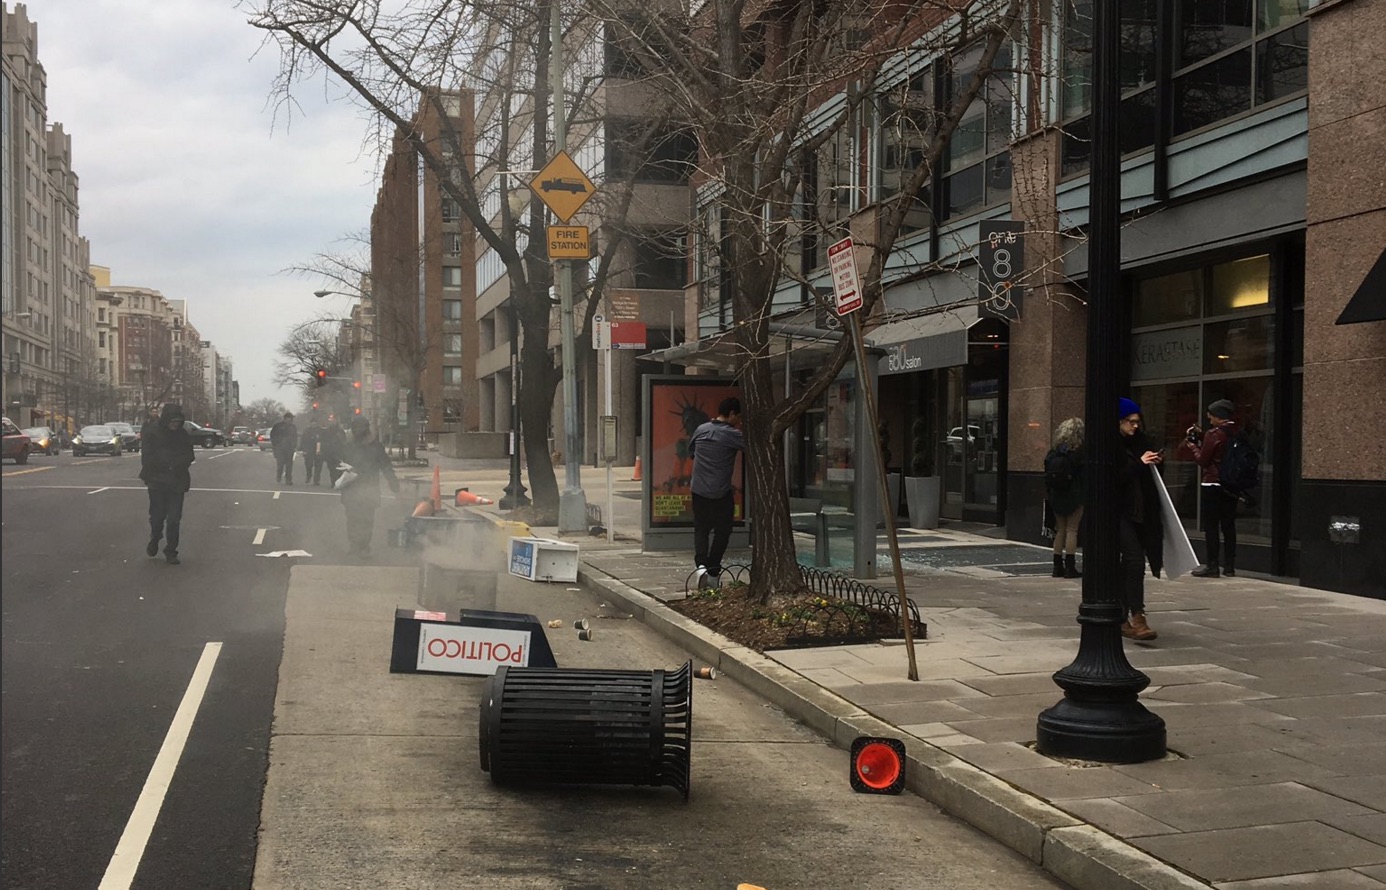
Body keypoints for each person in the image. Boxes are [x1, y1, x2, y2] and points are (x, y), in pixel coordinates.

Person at [1117, 397, 1164, 641]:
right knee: (1134, 560)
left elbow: (1149, 480)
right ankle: (1137, 616)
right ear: (1119, 421)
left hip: (1140, 512)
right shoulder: (1110, 445)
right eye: (1131, 422)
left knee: (1132, 564)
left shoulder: (1141, 442)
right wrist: (1139, 464)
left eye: (1138, 422)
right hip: (1117, 513)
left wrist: (1155, 463)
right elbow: (1112, 480)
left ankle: (1125, 616)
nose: (1135, 426)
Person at [688, 396, 745, 589]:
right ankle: (712, 570)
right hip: (720, 491)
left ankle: (701, 565)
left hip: (698, 489)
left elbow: (692, 453)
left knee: (701, 529)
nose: (738, 420)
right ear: (731, 414)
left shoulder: (701, 429)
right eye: (738, 416)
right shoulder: (733, 434)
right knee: (723, 531)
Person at [1185, 398, 1239, 578]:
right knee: (1229, 526)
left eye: (1211, 416)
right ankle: (1230, 567)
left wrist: (1193, 446)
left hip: (1213, 483)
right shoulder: (1237, 432)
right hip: (1231, 484)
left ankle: (1212, 565)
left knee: (1211, 526)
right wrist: (1202, 436)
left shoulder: (1214, 434)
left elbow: (1203, 460)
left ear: (1219, 417)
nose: (1209, 419)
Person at [139, 403, 196, 566]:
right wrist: (159, 467)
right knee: (157, 517)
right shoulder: (152, 433)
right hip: (157, 481)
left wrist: (178, 465)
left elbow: (189, 455)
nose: (174, 425)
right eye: (172, 421)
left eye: (177, 422)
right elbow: (147, 457)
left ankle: (171, 550)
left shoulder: (183, 435)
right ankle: (155, 537)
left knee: (174, 519)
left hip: (177, 481)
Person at [337, 416, 400, 556]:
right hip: (355, 487)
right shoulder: (364, 446)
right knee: (357, 518)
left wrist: (393, 482)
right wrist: (393, 483)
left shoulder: (371, 446)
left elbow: (386, 466)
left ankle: (361, 546)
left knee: (361, 518)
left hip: (362, 488)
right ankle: (357, 545)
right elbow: (386, 466)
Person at [1044, 417, 1085, 579]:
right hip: (1075, 495)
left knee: (1060, 530)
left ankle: (1056, 566)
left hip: (1056, 495)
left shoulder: (1053, 452)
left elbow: (1046, 473)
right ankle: (1070, 567)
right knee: (1072, 530)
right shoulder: (1080, 452)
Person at [270, 411, 298, 485]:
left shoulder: (293, 427)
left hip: (289, 449)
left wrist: (294, 445)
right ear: (286, 418)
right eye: (290, 418)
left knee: (289, 466)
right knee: (280, 465)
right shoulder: (278, 426)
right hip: (280, 449)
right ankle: (279, 476)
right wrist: (275, 446)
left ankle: (288, 480)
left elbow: (295, 437)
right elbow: (273, 436)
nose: (292, 420)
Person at [319, 417, 346, 488]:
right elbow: (323, 441)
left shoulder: (340, 431)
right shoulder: (327, 431)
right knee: (331, 468)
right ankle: (333, 482)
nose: (332, 422)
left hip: (338, 452)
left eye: (333, 421)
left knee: (339, 468)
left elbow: (344, 441)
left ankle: (338, 481)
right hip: (329, 453)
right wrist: (323, 451)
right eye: (331, 421)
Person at [301, 417, 323, 486]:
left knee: (318, 466)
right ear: (310, 423)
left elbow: (323, 440)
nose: (314, 424)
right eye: (312, 423)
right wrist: (303, 449)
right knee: (308, 465)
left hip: (319, 450)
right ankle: (309, 475)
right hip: (308, 450)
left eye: (315, 423)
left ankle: (316, 480)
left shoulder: (320, 430)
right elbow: (303, 440)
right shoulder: (306, 431)